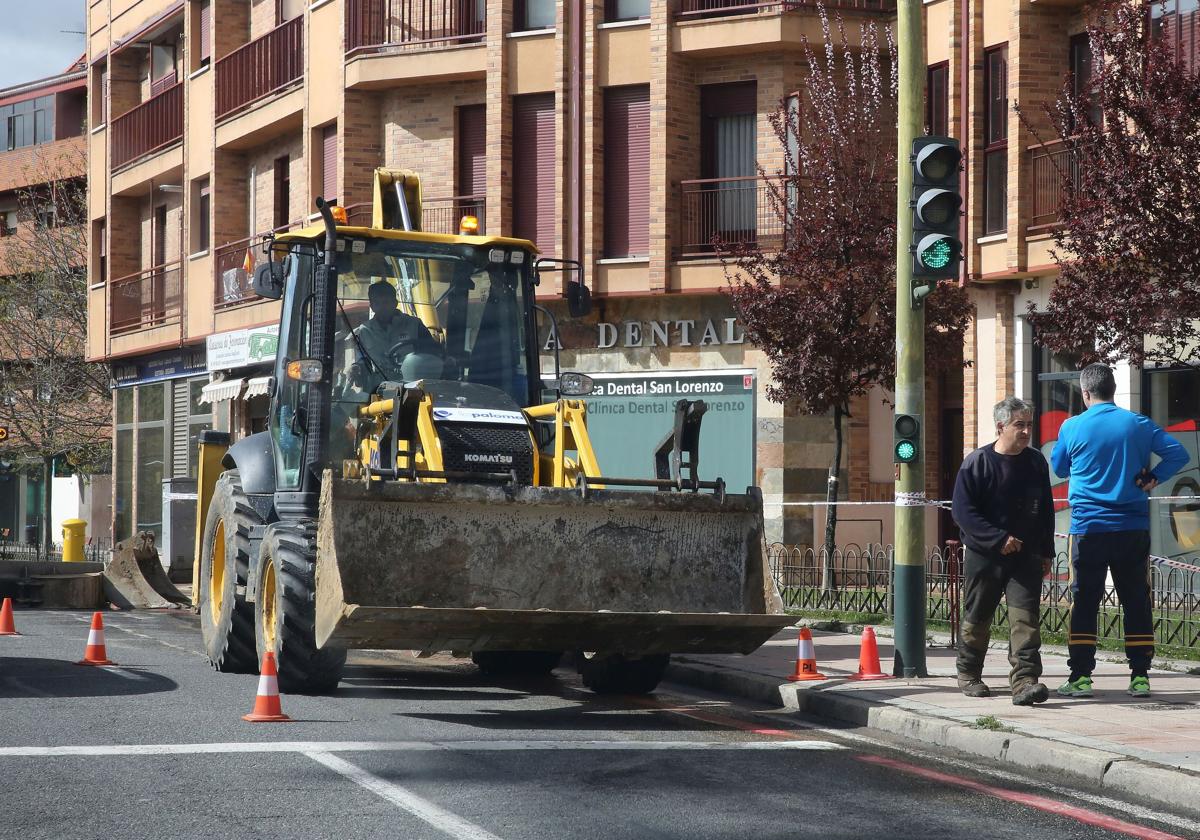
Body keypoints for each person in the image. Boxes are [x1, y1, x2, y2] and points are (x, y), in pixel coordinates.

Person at [1050, 363, 1188, 699]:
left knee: (1084, 600)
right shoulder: (1138, 424)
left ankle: (1081, 677)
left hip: (1089, 528)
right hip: (1132, 526)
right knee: (1136, 599)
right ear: (1113, 390)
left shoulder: (1072, 426)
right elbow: (1178, 454)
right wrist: (1152, 476)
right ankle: (1140, 676)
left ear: (1084, 393)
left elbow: (1058, 467)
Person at [952, 397, 1055, 705]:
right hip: (985, 556)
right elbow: (963, 512)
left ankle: (1024, 681)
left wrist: (1046, 551)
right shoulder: (977, 463)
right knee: (977, 617)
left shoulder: (1036, 462)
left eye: (1029, 425)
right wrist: (997, 539)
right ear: (1000, 427)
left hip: (1026, 556)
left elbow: (1046, 510)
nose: (1025, 431)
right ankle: (969, 674)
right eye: (1018, 425)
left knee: (1025, 620)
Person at [351, 280, 440, 387]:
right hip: (377, 391)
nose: (382, 307)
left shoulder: (415, 325)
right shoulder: (363, 331)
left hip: (411, 390)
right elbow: (362, 361)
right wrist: (357, 368)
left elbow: (432, 356)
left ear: (395, 303)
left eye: (386, 302)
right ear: (371, 306)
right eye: (377, 303)